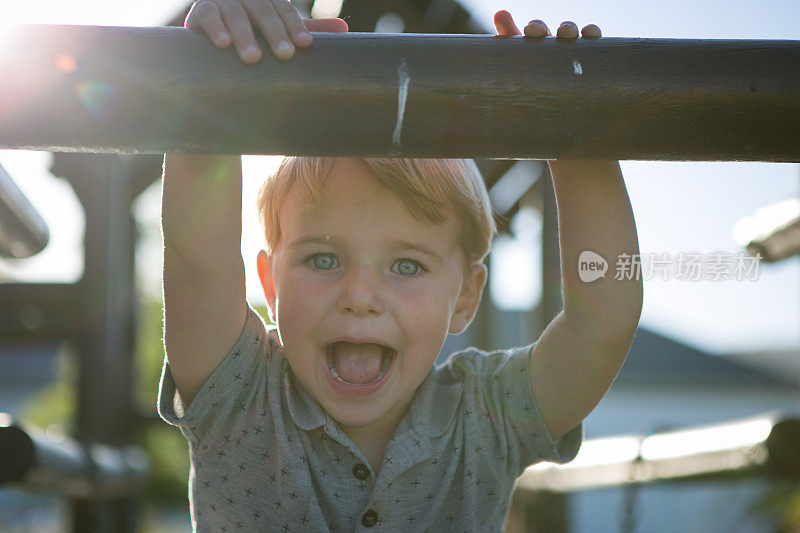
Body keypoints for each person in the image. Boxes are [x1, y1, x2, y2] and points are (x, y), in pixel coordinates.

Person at [157, 2, 642, 531]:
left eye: (407, 266)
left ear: (465, 297)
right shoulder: (241, 395)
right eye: (323, 259)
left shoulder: (486, 417)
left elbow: (602, 326)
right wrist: (216, 71)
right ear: (270, 283)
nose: (360, 295)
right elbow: (196, 262)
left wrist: (576, 132)